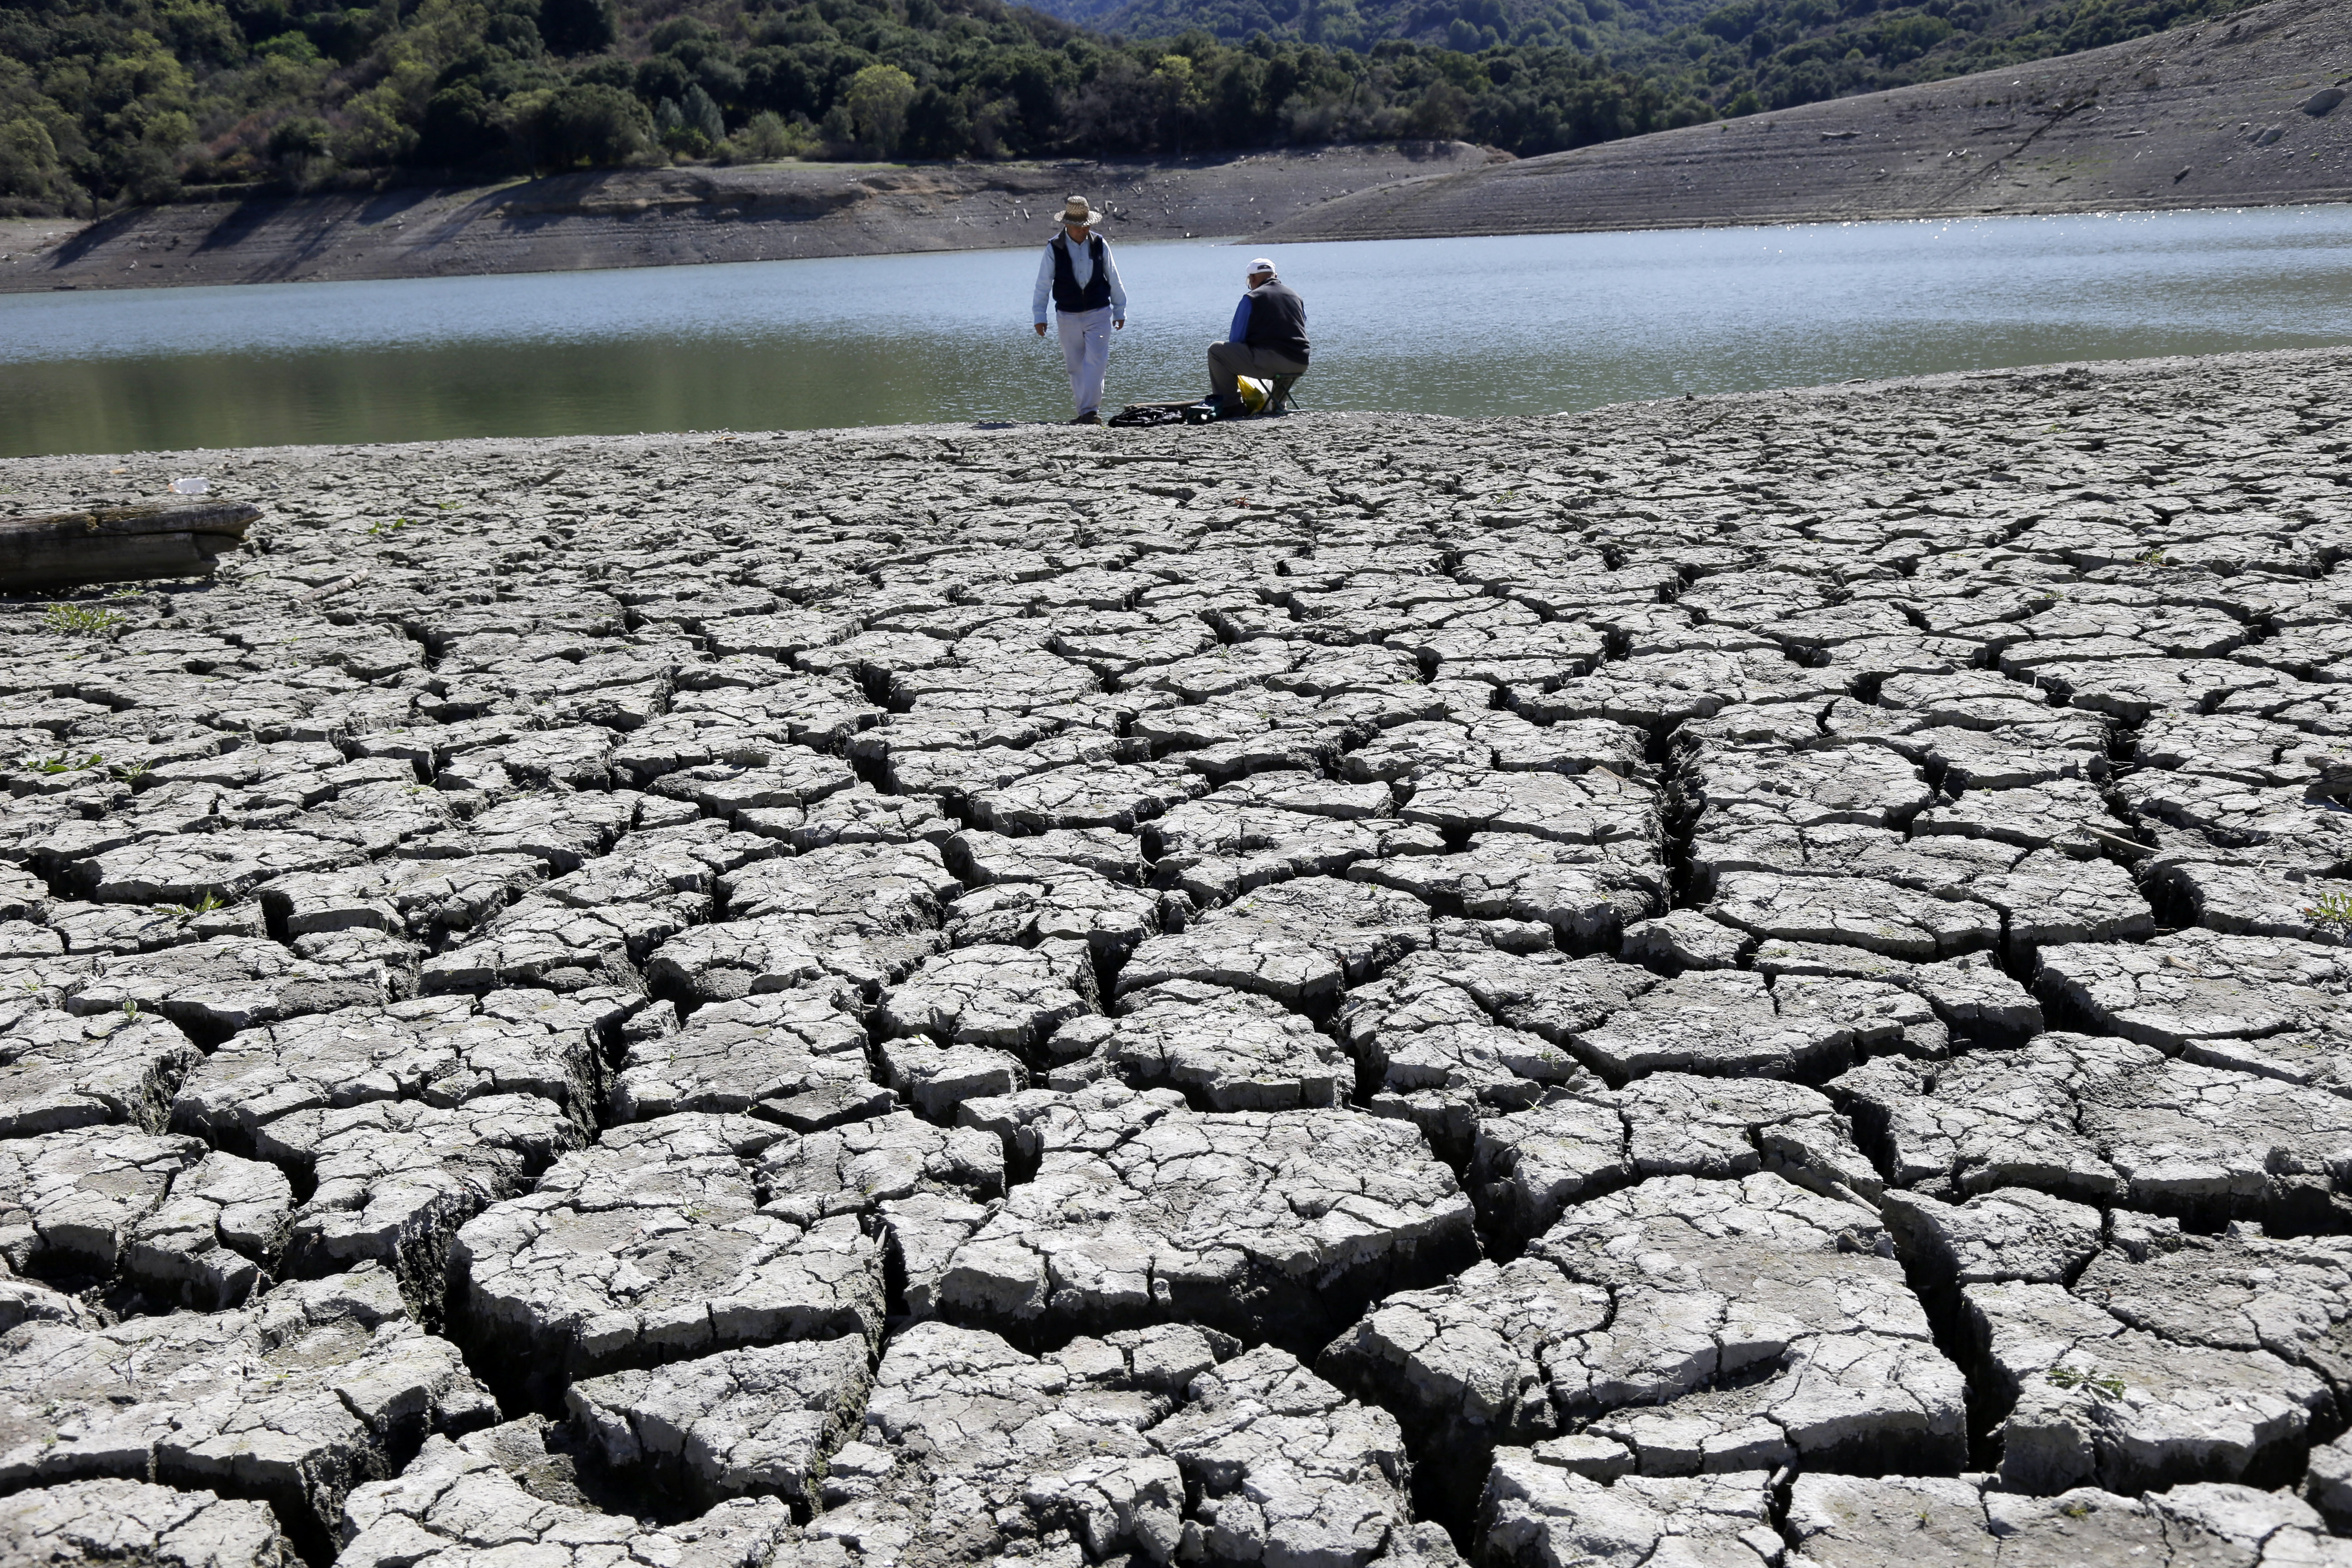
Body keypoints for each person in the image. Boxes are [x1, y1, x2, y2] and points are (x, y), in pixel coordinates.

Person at [1031, 196, 1127, 426]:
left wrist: (1120, 309)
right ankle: (1085, 411)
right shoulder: (1054, 247)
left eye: (1088, 225)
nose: (1086, 229)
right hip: (1067, 315)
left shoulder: (1100, 244)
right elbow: (1043, 284)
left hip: (1099, 312)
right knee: (1075, 367)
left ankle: (1090, 412)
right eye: (1081, 226)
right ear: (1068, 226)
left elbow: (1113, 277)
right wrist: (1039, 316)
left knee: (1097, 361)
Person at [1199, 257, 1308, 418]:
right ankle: (1277, 405)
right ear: (1275, 276)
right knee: (1280, 352)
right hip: (1300, 361)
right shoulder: (1295, 296)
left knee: (1216, 350)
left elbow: (1237, 338)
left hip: (1272, 363)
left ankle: (1232, 406)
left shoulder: (1252, 298)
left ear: (1253, 278)